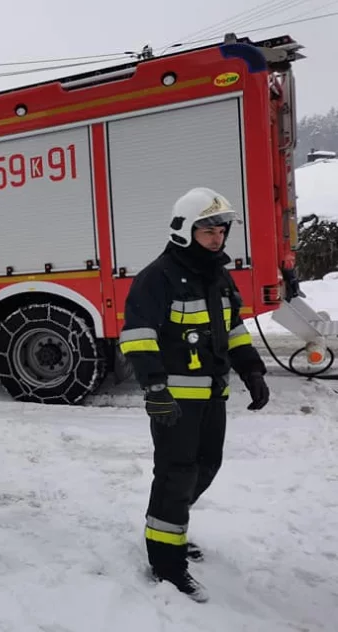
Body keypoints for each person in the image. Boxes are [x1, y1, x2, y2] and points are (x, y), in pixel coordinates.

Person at [119, 187, 270, 602]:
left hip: (212, 396)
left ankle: (170, 525)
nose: (218, 236)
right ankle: (167, 563)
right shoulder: (158, 277)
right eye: (208, 229)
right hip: (175, 398)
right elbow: (137, 335)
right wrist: (154, 389)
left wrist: (252, 370)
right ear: (186, 229)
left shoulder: (217, 275)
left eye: (222, 229)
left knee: (207, 466)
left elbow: (232, 327)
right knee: (176, 473)